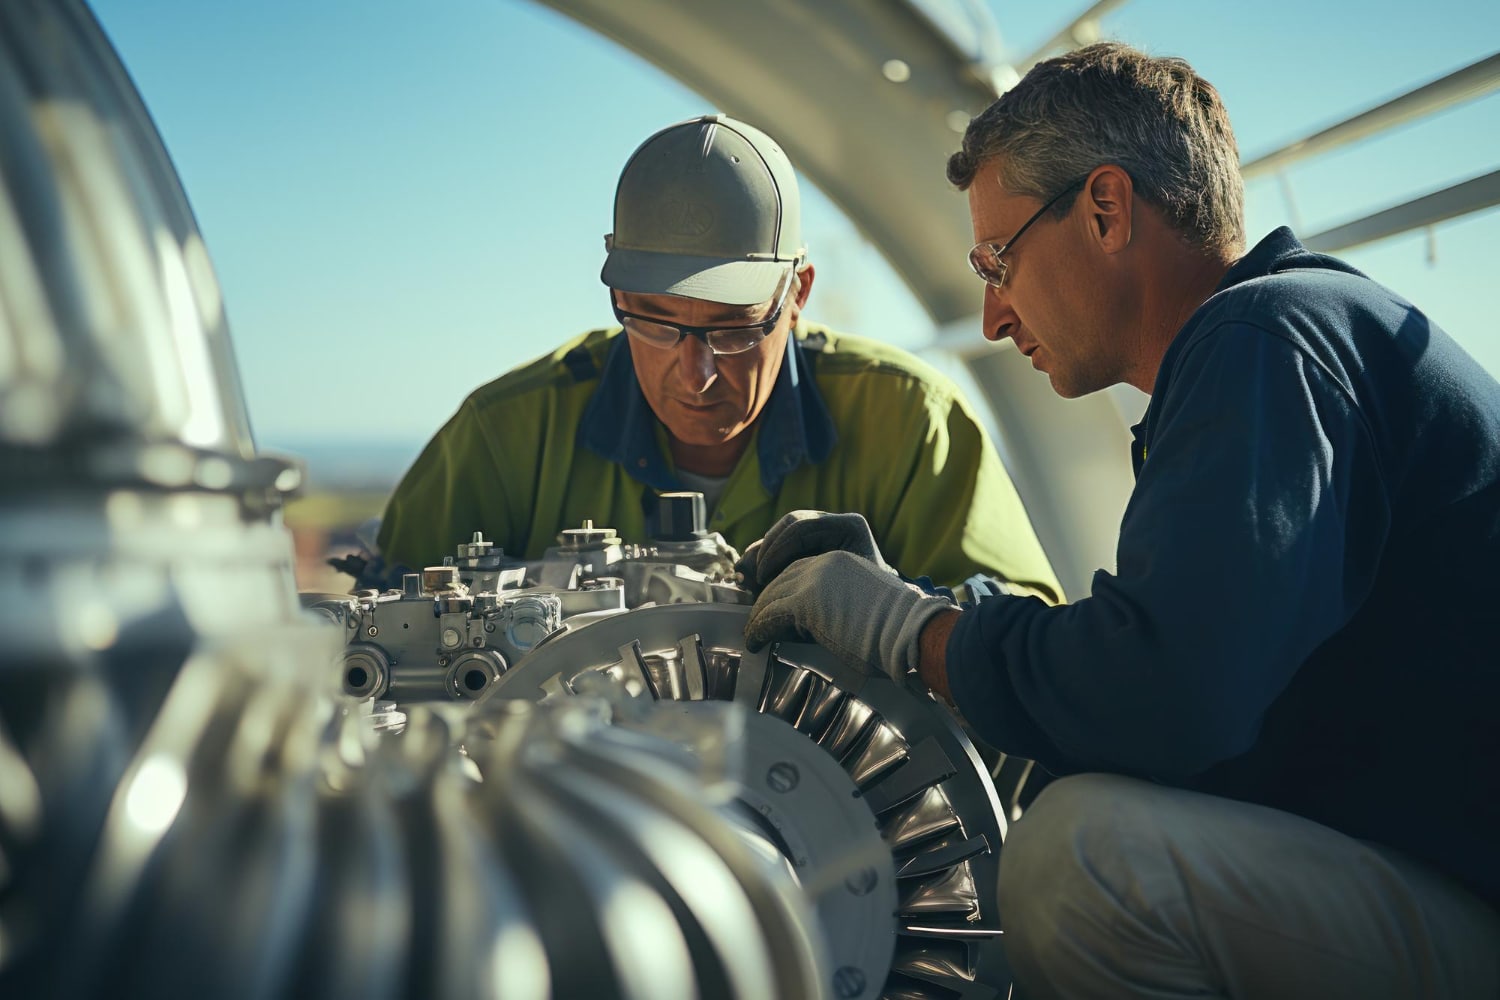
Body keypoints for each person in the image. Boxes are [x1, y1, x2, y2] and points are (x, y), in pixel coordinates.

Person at [740, 43, 1500, 997]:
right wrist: (930, 618)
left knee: (1079, 859)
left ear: (1104, 208)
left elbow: (1165, 693)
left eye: (997, 260)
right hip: (1428, 867)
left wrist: (904, 630)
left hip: (1472, 905)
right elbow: (1186, 690)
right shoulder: (1292, 340)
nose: (991, 315)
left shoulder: (1265, 339)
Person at [373, 114, 1060, 599]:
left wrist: (899, 618)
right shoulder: (503, 436)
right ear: (619, 297)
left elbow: (1018, 653)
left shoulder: (912, 423)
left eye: (733, 330)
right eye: (657, 324)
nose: (695, 374)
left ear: (799, 295)